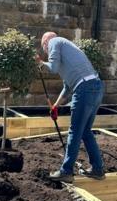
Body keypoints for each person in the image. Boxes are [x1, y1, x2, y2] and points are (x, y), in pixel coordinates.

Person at [36, 32, 105, 183]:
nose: (46, 51)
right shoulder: (67, 51)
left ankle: (66, 171)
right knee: (85, 131)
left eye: (44, 47)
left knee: (75, 130)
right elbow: (67, 87)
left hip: (85, 89)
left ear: (46, 42)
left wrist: (41, 63)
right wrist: (55, 106)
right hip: (96, 87)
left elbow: (52, 68)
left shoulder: (55, 41)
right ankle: (98, 169)